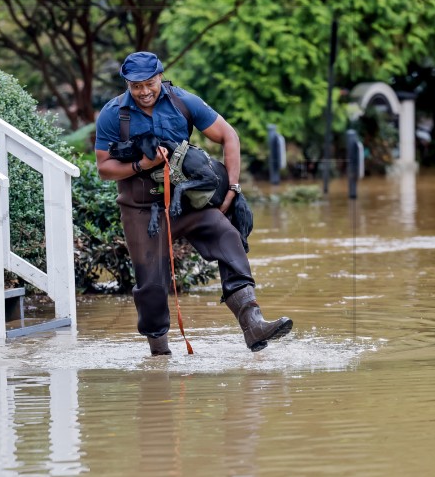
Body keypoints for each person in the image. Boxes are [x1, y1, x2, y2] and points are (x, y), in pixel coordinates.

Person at [95, 52, 293, 356]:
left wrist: (234, 188)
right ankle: (159, 354)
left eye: (150, 83)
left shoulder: (184, 102)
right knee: (151, 283)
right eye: (136, 86)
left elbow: (229, 136)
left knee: (226, 235)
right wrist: (141, 166)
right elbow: (104, 168)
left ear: (160, 76)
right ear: (127, 84)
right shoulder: (112, 114)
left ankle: (253, 323)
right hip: (139, 207)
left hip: (187, 200)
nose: (144, 91)